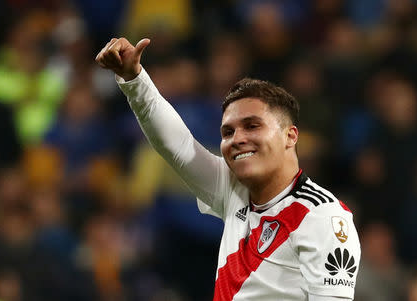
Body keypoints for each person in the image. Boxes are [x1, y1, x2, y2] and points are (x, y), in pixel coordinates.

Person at [95, 37, 361, 301]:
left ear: (290, 136)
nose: (237, 139)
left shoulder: (323, 218)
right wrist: (134, 79)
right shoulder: (233, 189)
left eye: (252, 126)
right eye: (228, 132)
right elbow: (176, 145)